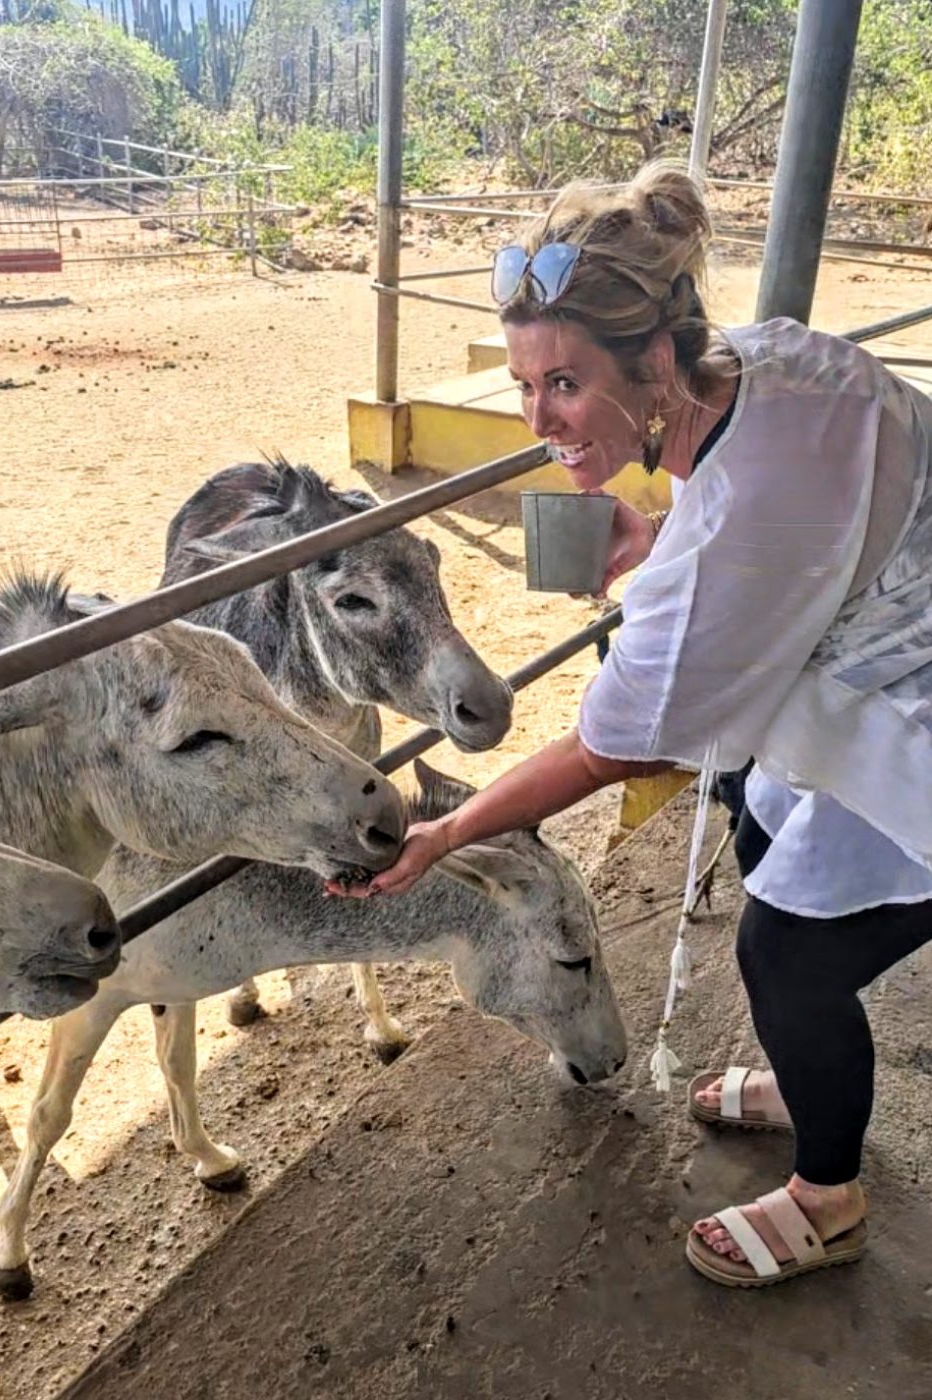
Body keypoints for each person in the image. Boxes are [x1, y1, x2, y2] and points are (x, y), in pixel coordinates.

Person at [327, 161, 932, 1288]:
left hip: (915, 723)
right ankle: (812, 1081)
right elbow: (797, 533)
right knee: (758, 819)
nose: (536, 417)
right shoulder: (775, 359)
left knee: (786, 954)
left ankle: (829, 1195)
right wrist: (659, 530)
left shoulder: (723, 544)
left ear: (653, 359)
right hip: (884, 651)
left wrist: (445, 835)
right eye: (522, 383)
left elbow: (611, 745)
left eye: (562, 383)